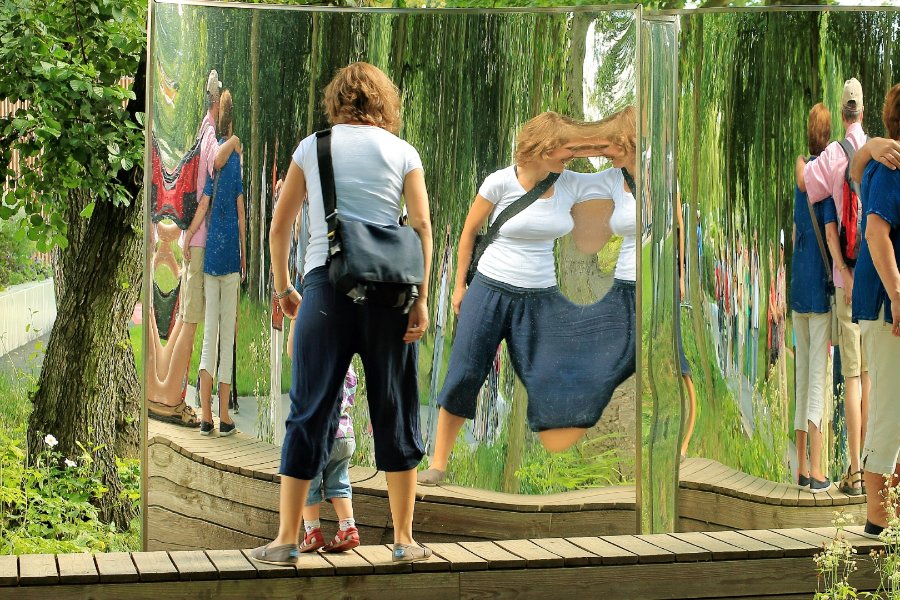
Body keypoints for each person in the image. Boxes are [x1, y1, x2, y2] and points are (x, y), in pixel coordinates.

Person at [253, 62, 433, 565]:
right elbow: (421, 226)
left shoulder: (312, 147)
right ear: (383, 102)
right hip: (390, 297)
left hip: (325, 291)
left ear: (336, 101)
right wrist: (421, 298)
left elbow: (279, 227)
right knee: (395, 409)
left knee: (308, 411)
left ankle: (286, 539)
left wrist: (284, 288)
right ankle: (404, 540)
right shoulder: (403, 152)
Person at [417, 108, 637, 486]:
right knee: (465, 373)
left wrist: (600, 144)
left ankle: (558, 466)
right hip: (490, 289)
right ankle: (438, 464)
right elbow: (469, 232)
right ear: (544, 148)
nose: (571, 156)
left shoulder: (568, 182)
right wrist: (459, 287)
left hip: (539, 299)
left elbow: (622, 170)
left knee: (552, 376)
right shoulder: (500, 182)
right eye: (566, 149)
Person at [147, 69, 233, 427]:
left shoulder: (202, 129)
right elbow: (216, 162)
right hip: (199, 242)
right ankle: (170, 400)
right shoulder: (212, 135)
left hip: (191, 240)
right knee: (192, 317)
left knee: (186, 315)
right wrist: (235, 142)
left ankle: (164, 392)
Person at [797, 78, 870, 493]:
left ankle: (855, 472)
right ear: (863, 112)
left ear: (843, 114)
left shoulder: (833, 155)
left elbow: (806, 183)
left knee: (852, 378)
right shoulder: (875, 149)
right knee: (870, 375)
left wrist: (841, 269)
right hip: (877, 279)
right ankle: (874, 468)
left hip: (847, 282)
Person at [850, 83, 900, 538]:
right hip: (888, 309)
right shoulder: (891, 166)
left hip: (887, 305)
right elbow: (875, 233)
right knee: (889, 408)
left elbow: (853, 173)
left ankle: (891, 516)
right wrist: (898, 296)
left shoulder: (882, 159)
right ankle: (877, 522)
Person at [183, 89, 245, 437]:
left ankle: (206, 416)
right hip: (230, 257)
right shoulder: (233, 159)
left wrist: (189, 234)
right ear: (232, 123)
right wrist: (245, 254)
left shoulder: (212, 156)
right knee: (226, 340)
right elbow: (241, 212)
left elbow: (203, 204)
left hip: (211, 259)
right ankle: (223, 415)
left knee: (210, 336)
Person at [791, 103, 835, 493]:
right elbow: (831, 235)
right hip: (819, 291)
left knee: (802, 377)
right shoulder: (827, 183)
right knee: (818, 380)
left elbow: (796, 233)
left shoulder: (800, 177)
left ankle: (799, 470)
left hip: (796, 290)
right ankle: (818, 471)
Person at [299, 365, 360, 553]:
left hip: (318, 434)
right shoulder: (349, 369)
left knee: (306, 484)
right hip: (344, 435)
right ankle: (347, 528)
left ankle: (312, 532)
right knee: (339, 483)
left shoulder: (318, 362)